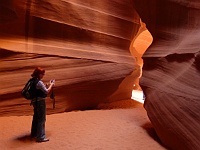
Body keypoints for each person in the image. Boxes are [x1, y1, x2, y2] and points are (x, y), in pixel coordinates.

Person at [30, 67, 55, 142]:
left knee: (36, 117)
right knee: (42, 119)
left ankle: (34, 134)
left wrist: (47, 85)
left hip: (35, 101)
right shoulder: (39, 82)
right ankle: (40, 137)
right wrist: (51, 85)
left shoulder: (32, 81)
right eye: (42, 74)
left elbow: (40, 89)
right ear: (39, 74)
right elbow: (46, 91)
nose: (43, 75)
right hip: (40, 102)